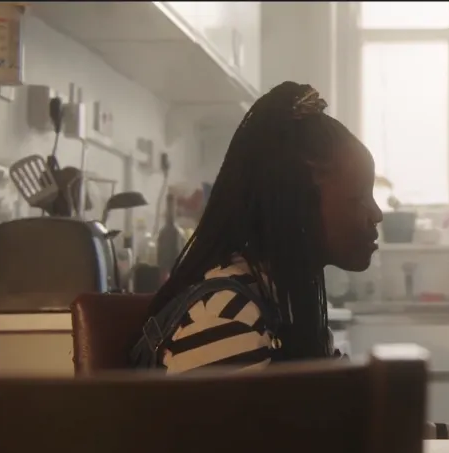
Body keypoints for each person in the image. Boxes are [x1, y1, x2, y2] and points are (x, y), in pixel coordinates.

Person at [144, 82, 383, 373]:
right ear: (298, 199)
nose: (377, 214)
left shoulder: (281, 302)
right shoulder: (228, 321)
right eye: (359, 196)